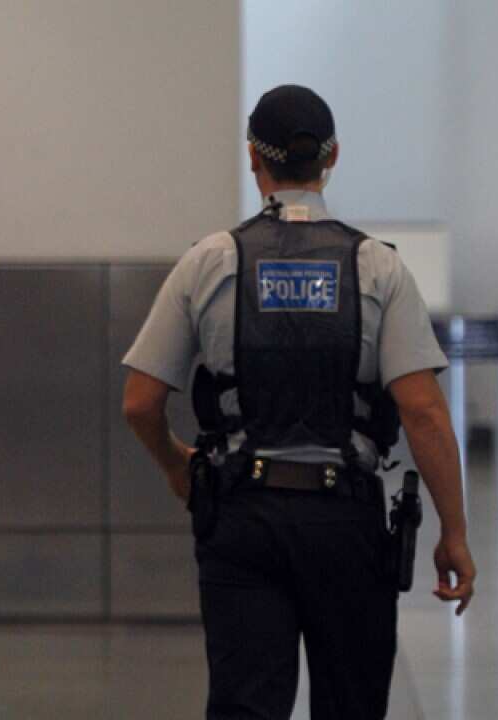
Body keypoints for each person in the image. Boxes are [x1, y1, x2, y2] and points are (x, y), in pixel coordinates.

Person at [121, 84, 476, 720]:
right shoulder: (378, 267)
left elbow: (140, 402)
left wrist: (177, 464)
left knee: (245, 706)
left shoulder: (210, 261)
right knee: (351, 702)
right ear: (331, 156)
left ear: (253, 160)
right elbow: (423, 412)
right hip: (346, 523)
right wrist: (453, 531)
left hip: (241, 518)